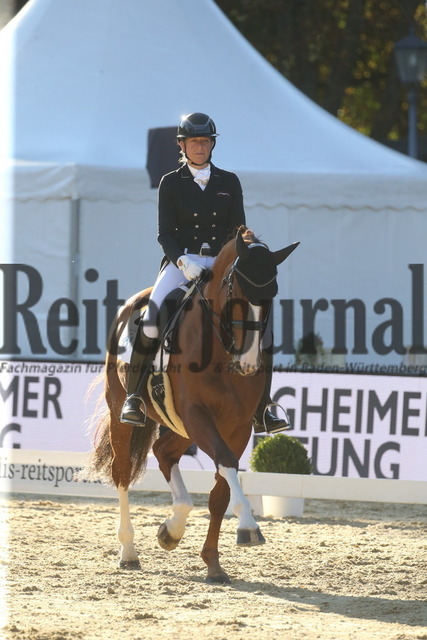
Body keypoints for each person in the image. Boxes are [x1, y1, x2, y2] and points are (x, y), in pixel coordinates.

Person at [120, 112, 289, 434]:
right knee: (153, 318)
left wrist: (247, 250)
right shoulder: (171, 182)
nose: (201, 147)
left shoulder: (229, 181)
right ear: (182, 145)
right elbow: (164, 234)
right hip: (182, 264)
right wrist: (183, 261)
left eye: (206, 141)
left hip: (222, 265)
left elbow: (238, 229)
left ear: (212, 145)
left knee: (258, 320)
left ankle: (265, 407)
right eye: (195, 141)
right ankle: (134, 398)